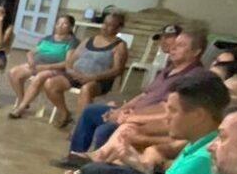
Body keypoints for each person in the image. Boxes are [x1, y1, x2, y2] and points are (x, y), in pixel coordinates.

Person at [63, 27, 208, 163]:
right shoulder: (169, 69)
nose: (173, 48)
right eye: (174, 44)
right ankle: (75, 158)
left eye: (181, 45)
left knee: (105, 130)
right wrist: (121, 109)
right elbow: (143, 95)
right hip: (133, 113)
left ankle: (96, 169)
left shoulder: (193, 78)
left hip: (147, 120)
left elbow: (165, 109)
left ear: (196, 52)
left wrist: (129, 116)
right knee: (90, 111)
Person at [132, 74, 233, 174]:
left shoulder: (202, 160)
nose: (166, 118)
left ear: (199, 116)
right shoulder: (203, 143)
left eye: (173, 111)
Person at [39, 11, 131, 128]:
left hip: (99, 80)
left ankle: (80, 126)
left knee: (86, 89)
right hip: (76, 75)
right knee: (50, 84)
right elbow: (71, 60)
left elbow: (117, 70)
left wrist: (92, 77)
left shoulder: (119, 46)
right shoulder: (89, 40)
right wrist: (72, 71)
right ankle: (64, 112)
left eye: (110, 25)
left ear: (119, 28)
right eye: (104, 24)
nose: (105, 27)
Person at [6, 14, 81, 119]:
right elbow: (31, 52)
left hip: (56, 69)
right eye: (58, 23)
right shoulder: (47, 38)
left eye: (64, 24)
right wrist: (31, 59)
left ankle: (20, 108)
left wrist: (46, 67)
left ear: (71, 27)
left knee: (39, 77)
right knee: (13, 72)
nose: (60, 26)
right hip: (36, 65)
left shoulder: (73, 42)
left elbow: (68, 63)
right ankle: (22, 100)